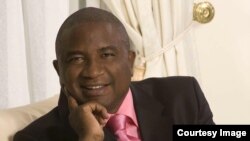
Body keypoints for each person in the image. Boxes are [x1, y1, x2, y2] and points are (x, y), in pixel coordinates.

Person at [14, 7, 214, 141]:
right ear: (59, 70)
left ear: (130, 60)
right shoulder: (34, 138)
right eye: (77, 59)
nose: (93, 71)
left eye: (107, 55)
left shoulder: (183, 97)